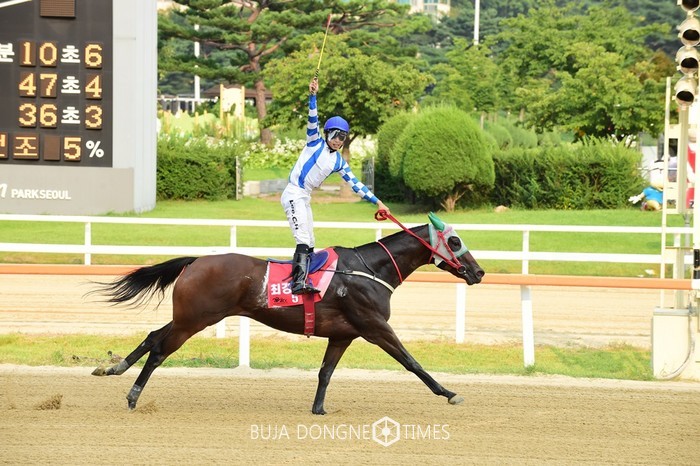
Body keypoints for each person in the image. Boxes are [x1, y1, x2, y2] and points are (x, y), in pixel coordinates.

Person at [280, 77, 390, 294]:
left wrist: (378, 202)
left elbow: (356, 184)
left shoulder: (339, 161)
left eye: (342, 137)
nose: (338, 140)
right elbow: (313, 117)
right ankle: (297, 283)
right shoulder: (314, 141)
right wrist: (313, 95)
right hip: (293, 193)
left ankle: (308, 279)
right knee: (303, 239)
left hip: (305, 196)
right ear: (327, 133)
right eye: (335, 135)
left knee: (311, 240)